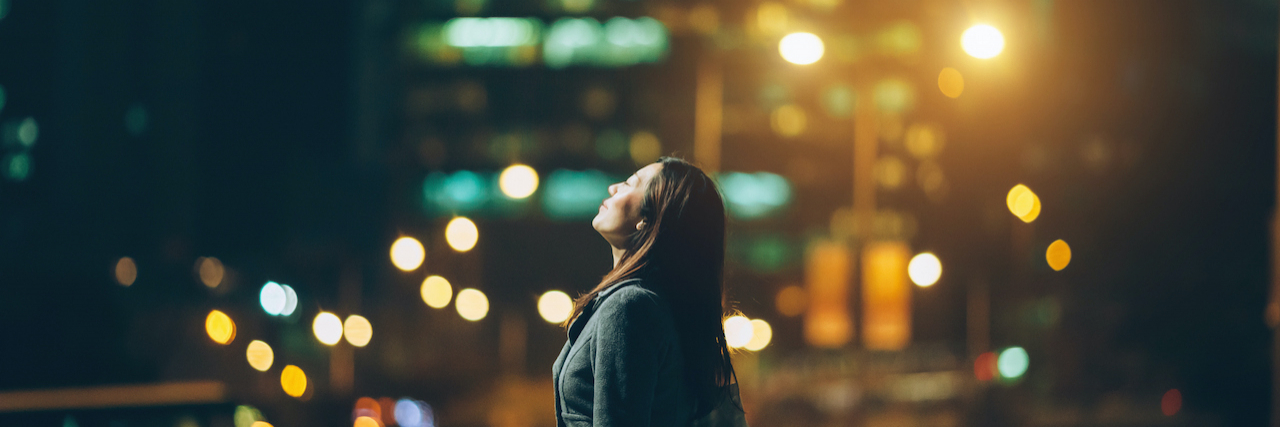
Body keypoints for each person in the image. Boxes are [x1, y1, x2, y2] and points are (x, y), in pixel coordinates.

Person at [551, 157, 743, 427]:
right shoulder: (658, 304)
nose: (613, 188)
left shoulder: (629, 307)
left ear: (647, 218)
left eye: (630, 184)